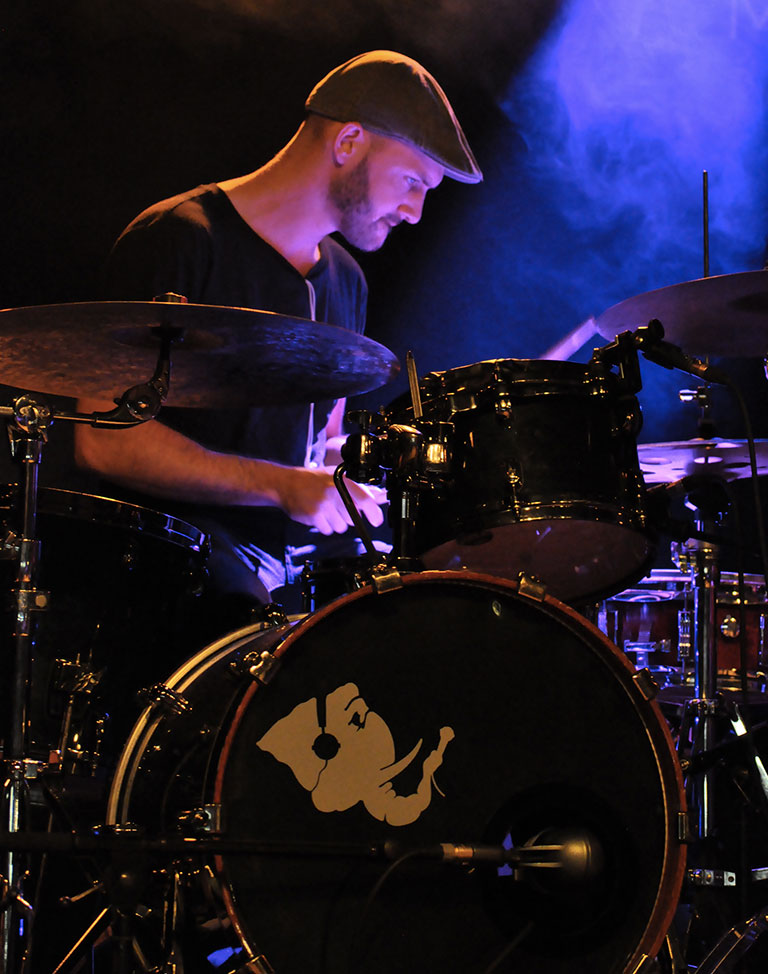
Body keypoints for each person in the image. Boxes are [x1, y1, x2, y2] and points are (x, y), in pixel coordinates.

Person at [74, 49, 483, 634]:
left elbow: (320, 446)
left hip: (294, 566)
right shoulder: (180, 239)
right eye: (413, 181)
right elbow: (104, 441)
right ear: (348, 143)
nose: (416, 212)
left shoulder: (347, 281)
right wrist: (280, 485)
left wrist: (369, 471)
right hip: (176, 566)